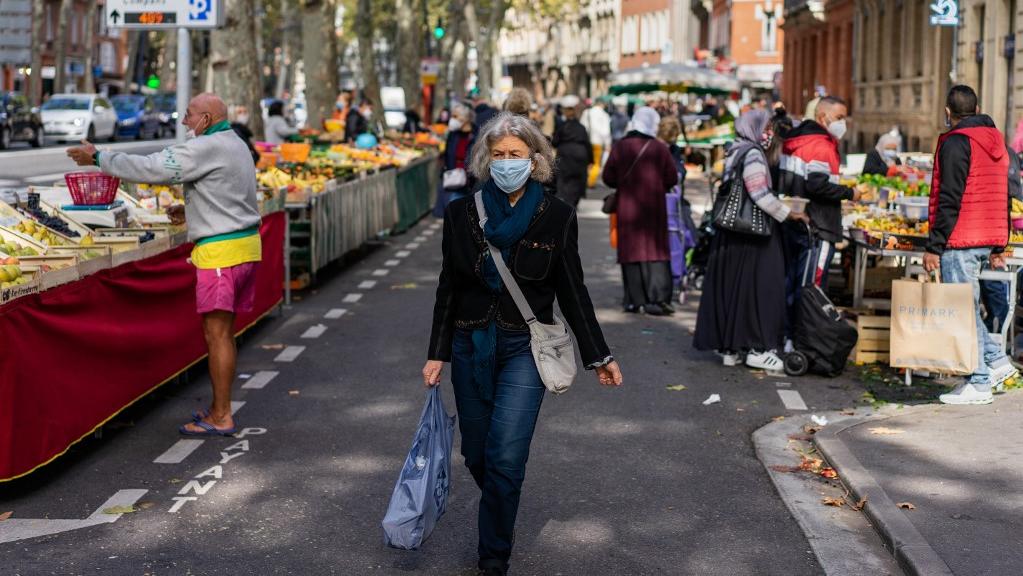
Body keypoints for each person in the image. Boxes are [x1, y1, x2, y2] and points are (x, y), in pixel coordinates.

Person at [423, 111, 622, 576]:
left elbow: (573, 291)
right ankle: (500, 499)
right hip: (470, 344)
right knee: (477, 453)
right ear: (485, 160)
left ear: (534, 161)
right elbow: (448, 286)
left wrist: (600, 356)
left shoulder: (555, 216)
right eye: (498, 155)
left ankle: (493, 556)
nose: (507, 162)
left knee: (507, 456)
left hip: (526, 351)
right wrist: (437, 352)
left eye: (515, 155)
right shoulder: (461, 213)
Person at [66, 93, 262, 435]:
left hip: (222, 253)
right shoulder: (236, 143)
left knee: (216, 336)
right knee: (225, 334)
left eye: (189, 115)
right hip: (245, 248)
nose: (184, 121)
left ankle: (221, 416)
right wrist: (194, 211)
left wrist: (99, 156)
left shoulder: (206, 147)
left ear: (207, 117)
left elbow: (154, 168)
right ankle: (220, 408)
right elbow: (231, 192)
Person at [923, 85, 1020, 405]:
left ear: (948, 112)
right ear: (977, 108)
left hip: (961, 237)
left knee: (962, 312)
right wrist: (999, 245)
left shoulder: (955, 143)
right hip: (988, 233)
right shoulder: (999, 143)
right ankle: (996, 361)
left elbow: (949, 196)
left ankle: (978, 383)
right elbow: (1004, 194)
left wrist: (934, 246)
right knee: (967, 308)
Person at [695, 110, 806, 369]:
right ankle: (758, 347)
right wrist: (790, 214)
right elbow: (759, 195)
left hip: (732, 233)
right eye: (766, 127)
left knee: (735, 290)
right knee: (762, 290)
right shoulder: (753, 153)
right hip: (754, 233)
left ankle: (730, 348)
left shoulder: (735, 149)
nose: (769, 132)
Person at [779, 96, 859, 341]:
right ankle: (805, 340)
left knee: (792, 282)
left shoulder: (795, 140)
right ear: (823, 117)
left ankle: (788, 335)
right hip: (819, 225)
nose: (843, 123)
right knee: (812, 287)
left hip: (795, 223)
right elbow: (817, 185)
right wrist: (850, 193)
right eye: (839, 118)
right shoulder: (821, 145)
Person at [602, 106, 679, 315]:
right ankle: (658, 298)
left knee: (632, 251)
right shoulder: (659, 148)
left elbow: (607, 177)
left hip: (628, 208)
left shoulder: (621, 147)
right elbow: (672, 177)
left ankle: (634, 301)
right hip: (654, 209)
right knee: (655, 251)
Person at [434, 103, 476, 214]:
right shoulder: (453, 135)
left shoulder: (476, 136)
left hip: (471, 185)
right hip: (454, 183)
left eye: (456, 116)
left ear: (466, 118)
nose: (452, 119)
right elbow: (448, 155)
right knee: (455, 218)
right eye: (452, 116)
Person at [551, 95, 593, 207]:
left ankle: (567, 204)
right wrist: (591, 160)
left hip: (565, 156)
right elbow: (587, 143)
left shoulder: (562, 126)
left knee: (564, 181)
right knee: (577, 181)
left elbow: (554, 142)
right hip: (580, 156)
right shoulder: (581, 127)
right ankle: (573, 202)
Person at [580, 99, 612, 167]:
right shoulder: (604, 115)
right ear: (602, 105)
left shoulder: (586, 112)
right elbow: (606, 131)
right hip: (598, 142)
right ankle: (591, 177)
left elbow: (582, 126)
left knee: (585, 164)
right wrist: (607, 143)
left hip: (586, 142)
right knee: (595, 164)